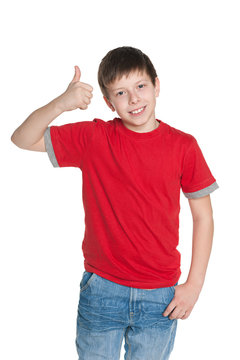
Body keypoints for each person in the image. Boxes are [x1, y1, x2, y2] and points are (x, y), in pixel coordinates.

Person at [11, 46, 219, 360]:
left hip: (160, 294)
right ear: (109, 102)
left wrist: (194, 285)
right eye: (121, 92)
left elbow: (204, 217)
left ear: (156, 85)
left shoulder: (184, 146)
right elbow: (22, 139)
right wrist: (62, 103)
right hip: (103, 289)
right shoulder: (95, 138)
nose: (134, 99)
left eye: (141, 86)